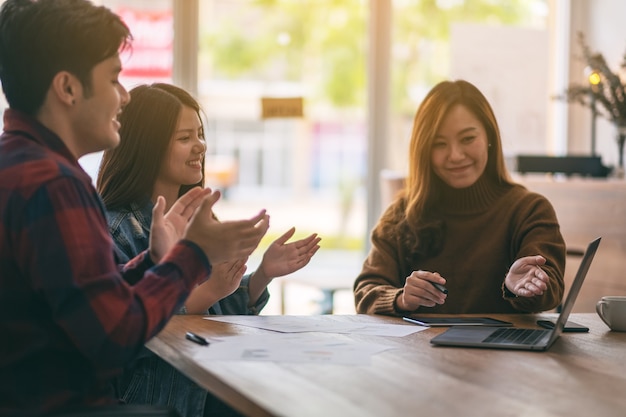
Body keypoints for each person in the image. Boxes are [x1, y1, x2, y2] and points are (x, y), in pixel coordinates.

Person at [0, 1, 269, 416]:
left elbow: (82, 303)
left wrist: (155, 262)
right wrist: (191, 256)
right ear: (68, 88)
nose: (124, 98)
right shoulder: (55, 185)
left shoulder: (19, 164)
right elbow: (114, 337)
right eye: (113, 79)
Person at [96, 82, 321, 417]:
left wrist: (262, 274)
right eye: (185, 138)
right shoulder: (116, 228)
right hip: (159, 400)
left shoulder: (203, 219)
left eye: (200, 134)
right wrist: (208, 290)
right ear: (147, 146)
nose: (200, 146)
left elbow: (219, 308)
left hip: (213, 387)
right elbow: (125, 332)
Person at [354, 80, 566, 316]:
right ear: (424, 151)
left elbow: (553, 288)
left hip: (504, 352)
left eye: (467, 139)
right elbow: (365, 292)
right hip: (421, 352)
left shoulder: (529, 210)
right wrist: (401, 298)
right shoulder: (401, 214)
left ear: (489, 138)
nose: (455, 156)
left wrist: (523, 287)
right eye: (439, 144)